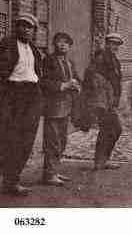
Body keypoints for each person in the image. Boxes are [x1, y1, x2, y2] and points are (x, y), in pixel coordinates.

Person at [0, 14, 43, 196]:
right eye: (22, 26)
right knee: (9, 137)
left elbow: (37, 72)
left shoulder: (34, 49)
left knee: (26, 139)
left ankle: (13, 180)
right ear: (16, 27)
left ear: (34, 30)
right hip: (11, 94)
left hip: (31, 94)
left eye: (29, 27)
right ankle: (9, 179)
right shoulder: (6, 44)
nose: (25, 29)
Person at [41, 32, 81, 186]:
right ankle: (49, 174)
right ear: (54, 44)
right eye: (59, 42)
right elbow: (43, 81)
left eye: (66, 43)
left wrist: (77, 85)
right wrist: (63, 85)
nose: (63, 45)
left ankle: (55, 171)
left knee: (62, 140)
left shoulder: (70, 62)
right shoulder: (48, 60)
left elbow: (76, 78)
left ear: (70, 46)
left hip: (66, 105)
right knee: (52, 141)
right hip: (53, 106)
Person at [83, 33, 123, 171]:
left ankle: (104, 159)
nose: (115, 47)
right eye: (112, 43)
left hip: (110, 101)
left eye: (117, 44)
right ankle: (100, 161)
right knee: (108, 129)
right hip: (102, 101)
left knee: (115, 129)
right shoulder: (100, 59)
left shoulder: (114, 60)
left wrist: (116, 97)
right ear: (107, 44)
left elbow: (116, 80)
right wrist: (100, 100)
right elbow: (92, 78)